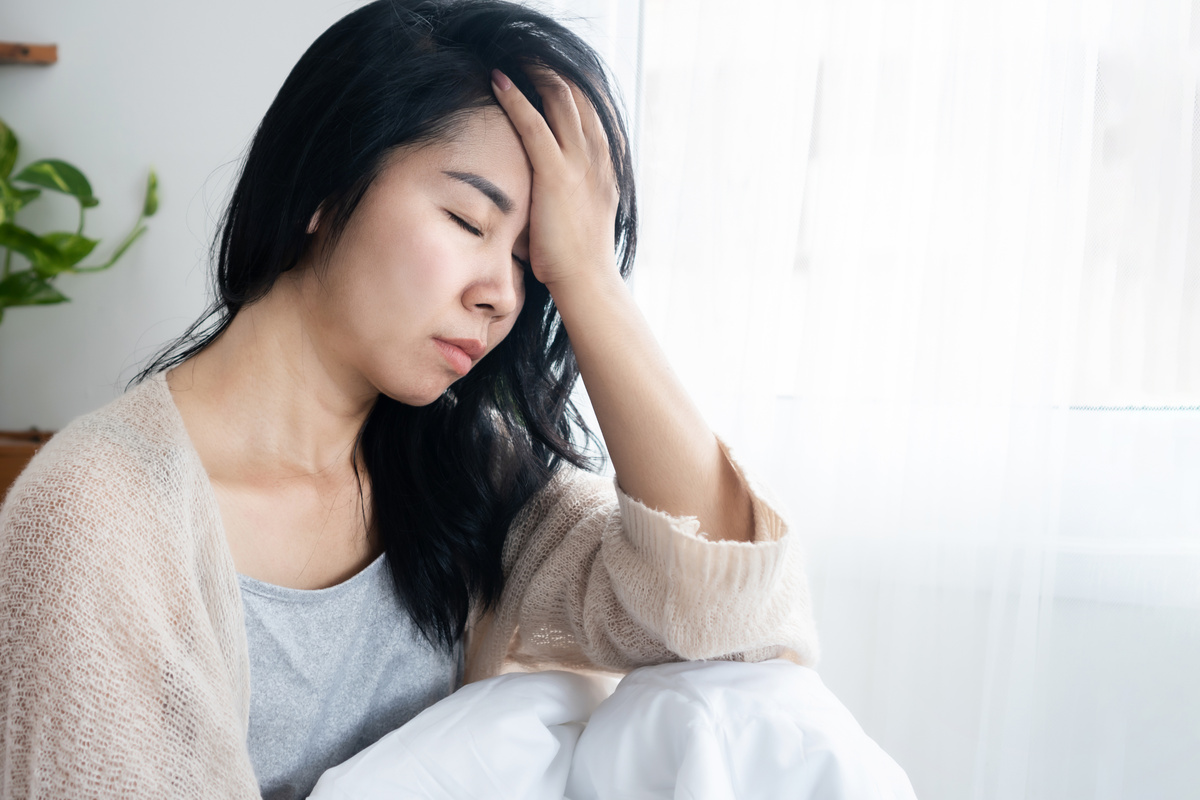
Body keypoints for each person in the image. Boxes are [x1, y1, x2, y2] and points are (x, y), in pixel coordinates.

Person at [0, 1, 819, 797]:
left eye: (532, 263)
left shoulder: (468, 471)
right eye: (468, 220)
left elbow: (734, 624)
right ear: (324, 186)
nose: (503, 294)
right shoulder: (94, 518)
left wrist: (590, 281)